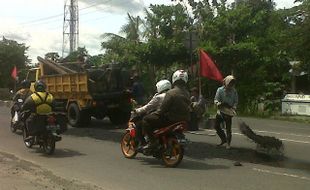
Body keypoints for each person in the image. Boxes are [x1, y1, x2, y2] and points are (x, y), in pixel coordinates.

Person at [142, 70, 191, 149]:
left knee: (145, 119)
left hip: (170, 120)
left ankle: (152, 142)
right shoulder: (187, 93)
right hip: (184, 120)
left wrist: (154, 114)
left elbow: (162, 109)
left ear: (174, 79)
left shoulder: (171, 93)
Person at [133, 79, 172, 149]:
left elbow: (148, 107)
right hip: (170, 118)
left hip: (161, 117)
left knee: (143, 121)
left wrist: (137, 110)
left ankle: (151, 141)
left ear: (161, 87)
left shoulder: (159, 97)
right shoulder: (171, 95)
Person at [214, 75, 238, 149]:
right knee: (216, 126)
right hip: (221, 110)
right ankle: (223, 139)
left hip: (229, 111)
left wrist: (233, 108)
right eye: (230, 83)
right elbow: (216, 100)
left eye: (232, 83)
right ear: (226, 82)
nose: (231, 85)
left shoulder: (234, 91)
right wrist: (219, 103)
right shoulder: (220, 90)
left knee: (228, 128)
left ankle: (228, 144)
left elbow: (236, 101)